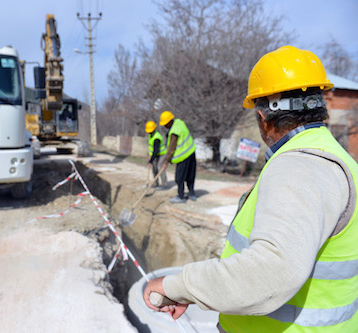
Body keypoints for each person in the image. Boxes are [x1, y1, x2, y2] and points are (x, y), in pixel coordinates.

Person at [143, 45, 358, 332]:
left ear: (262, 117)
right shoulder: (338, 159)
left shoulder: (299, 167)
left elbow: (270, 272)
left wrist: (177, 287)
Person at [160, 111, 197, 203]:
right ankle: (192, 193)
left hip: (183, 156)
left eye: (165, 124)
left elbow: (171, 149)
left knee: (179, 178)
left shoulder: (174, 132)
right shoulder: (179, 122)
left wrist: (165, 162)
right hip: (191, 151)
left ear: (169, 122)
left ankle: (181, 197)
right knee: (190, 175)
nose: (164, 126)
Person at [145, 121, 168, 188]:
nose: (149, 132)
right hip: (155, 154)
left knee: (160, 167)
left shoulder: (157, 138)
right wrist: (151, 159)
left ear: (154, 129)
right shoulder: (150, 134)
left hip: (162, 154)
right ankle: (156, 183)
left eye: (151, 131)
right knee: (154, 168)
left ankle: (164, 184)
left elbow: (156, 150)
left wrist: (150, 160)